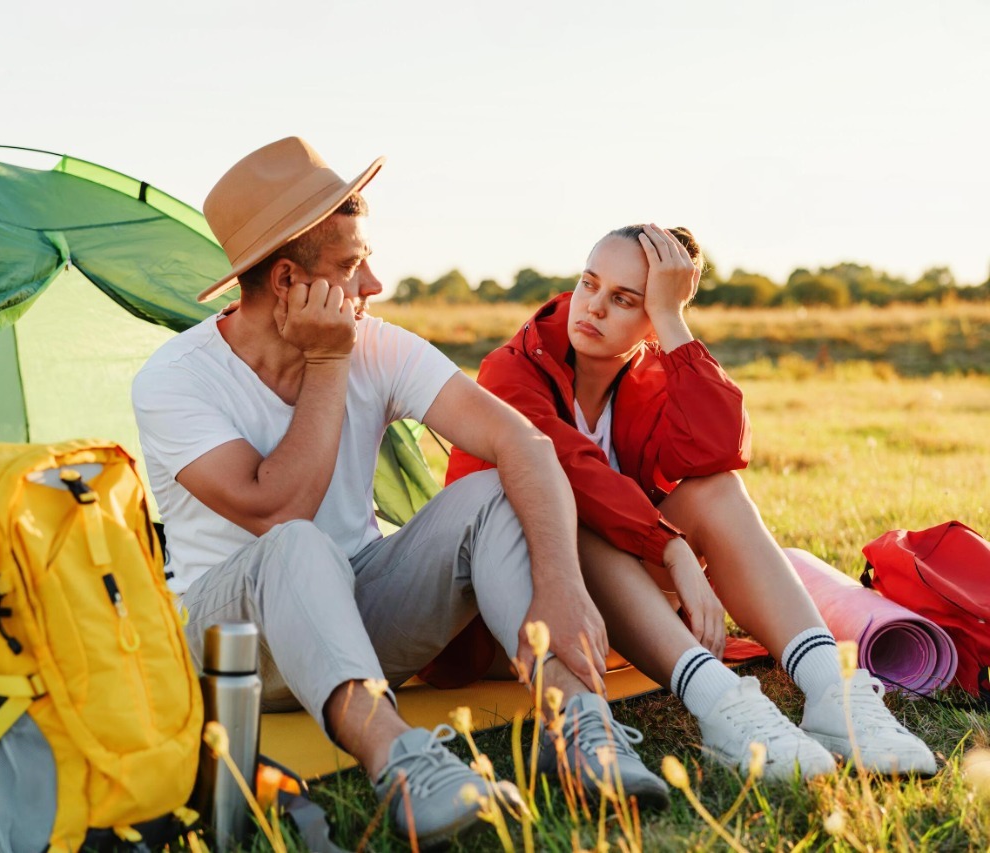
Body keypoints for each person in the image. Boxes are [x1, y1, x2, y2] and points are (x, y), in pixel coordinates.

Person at [132, 140, 670, 846]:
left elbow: (525, 445)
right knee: (296, 542)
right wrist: (328, 361)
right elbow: (276, 508)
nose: (374, 284)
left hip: (359, 616)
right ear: (290, 281)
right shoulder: (175, 379)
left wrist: (560, 584)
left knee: (491, 492)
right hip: (235, 643)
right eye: (352, 266)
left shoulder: (379, 344)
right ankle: (405, 764)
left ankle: (579, 729)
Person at [442, 223, 936, 778]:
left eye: (625, 300)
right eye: (589, 284)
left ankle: (833, 692)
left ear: (653, 315)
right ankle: (723, 704)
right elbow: (571, 474)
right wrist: (671, 548)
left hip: (624, 619)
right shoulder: (512, 368)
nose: (593, 308)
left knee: (714, 488)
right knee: (573, 512)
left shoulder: (651, 370)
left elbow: (720, 449)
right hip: (519, 620)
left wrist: (674, 323)